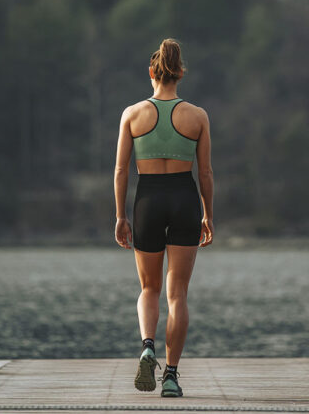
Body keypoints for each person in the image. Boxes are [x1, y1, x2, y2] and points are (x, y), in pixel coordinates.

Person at [114, 38, 214, 398]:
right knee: (178, 294)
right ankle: (170, 376)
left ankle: (147, 347)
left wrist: (120, 216)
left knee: (149, 288)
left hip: (148, 200)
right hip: (185, 199)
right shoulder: (198, 116)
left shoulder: (132, 114)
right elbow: (205, 174)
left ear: (152, 72)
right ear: (180, 73)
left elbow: (122, 170)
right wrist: (208, 215)